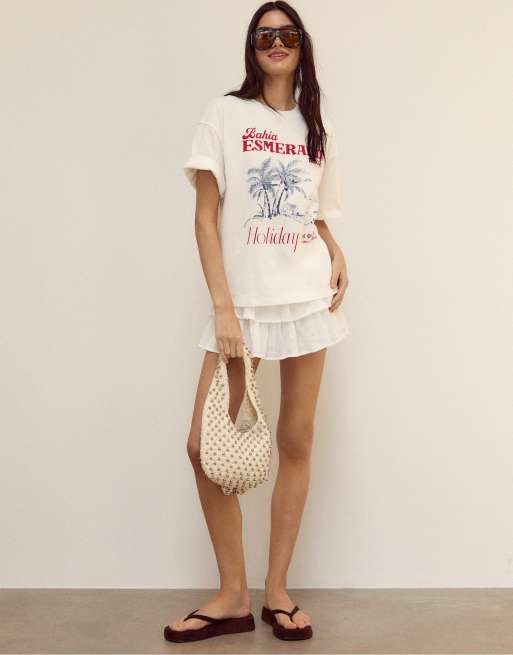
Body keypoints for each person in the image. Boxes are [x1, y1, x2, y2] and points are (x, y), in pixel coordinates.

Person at [164, 0, 350, 643]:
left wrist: (334, 248)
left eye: (287, 33)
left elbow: (313, 210)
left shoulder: (316, 125)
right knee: (205, 447)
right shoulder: (224, 113)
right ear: (252, 47)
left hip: (307, 297)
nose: (276, 42)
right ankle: (231, 594)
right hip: (243, 304)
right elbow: (205, 217)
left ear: (301, 46)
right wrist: (222, 306)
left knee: (296, 441)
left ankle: (275, 591)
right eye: (264, 34)